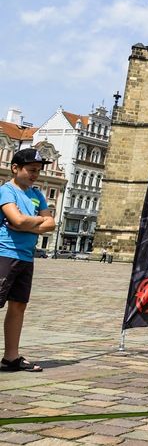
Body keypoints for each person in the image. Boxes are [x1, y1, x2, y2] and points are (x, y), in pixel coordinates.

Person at [0, 149, 56, 372]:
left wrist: (29, 222)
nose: (35, 175)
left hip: (25, 256)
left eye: (38, 171)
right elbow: (16, 219)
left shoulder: (37, 194)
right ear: (15, 168)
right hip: (5, 253)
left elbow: (50, 225)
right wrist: (36, 222)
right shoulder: (7, 191)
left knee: (19, 305)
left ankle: (10, 357)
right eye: (31, 170)